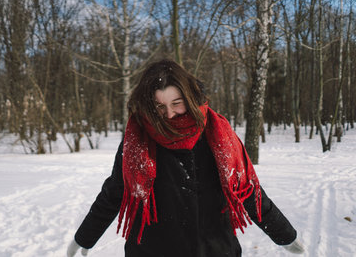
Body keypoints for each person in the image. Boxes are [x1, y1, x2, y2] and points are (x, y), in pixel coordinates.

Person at [67, 59, 304, 257]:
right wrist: (85, 237)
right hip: (152, 250)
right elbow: (115, 192)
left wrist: (284, 234)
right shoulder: (137, 139)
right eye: (159, 106)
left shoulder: (218, 134)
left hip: (214, 249)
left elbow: (248, 190)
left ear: (189, 98)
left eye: (176, 103)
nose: (169, 114)